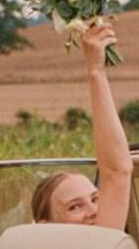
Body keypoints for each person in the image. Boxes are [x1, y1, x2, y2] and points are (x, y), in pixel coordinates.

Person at [28, 21, 132, 230]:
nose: (94, 211)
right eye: (74, 207)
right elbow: (115, 171)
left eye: (95, 199)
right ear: (45, 227)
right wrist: (96, 71)